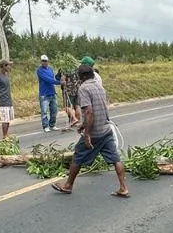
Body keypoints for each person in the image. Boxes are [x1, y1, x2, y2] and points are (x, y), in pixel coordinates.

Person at [51, 63, 129, 198]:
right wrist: (82, 125)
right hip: (106, 129)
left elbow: (89, 112)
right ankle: (123, 188)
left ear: (82, 76)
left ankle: (68, 185)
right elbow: (100, 109)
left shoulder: (84, 88)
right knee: (115, 158)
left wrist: (87, 133)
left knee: (78, 155)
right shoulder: (100, 87)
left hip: (95, 132)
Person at [36, 54, 59, 132]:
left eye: (45, 61)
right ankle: (45, 126)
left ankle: (52, 125)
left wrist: (60, 78)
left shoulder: (50, 69)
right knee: (44, 111)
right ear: (41, 61)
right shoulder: (39, 70)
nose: (44, 62)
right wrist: (59, 82)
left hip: (52, 92)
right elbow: (47, 79)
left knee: (54, 110)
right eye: (43, 61)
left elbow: (53, 78)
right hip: (44, 93)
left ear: (47, 61)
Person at [0, 60, 14, 140]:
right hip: (3, 101)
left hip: (8, 100)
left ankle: (7, 134)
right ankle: (4, 135)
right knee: (4, 119)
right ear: (4, 66)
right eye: (8, 65)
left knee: (8, 120)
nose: (9, 67)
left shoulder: (6, 75)